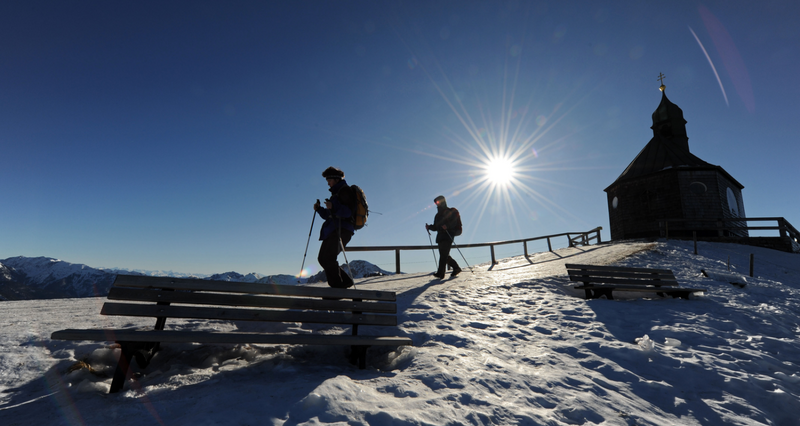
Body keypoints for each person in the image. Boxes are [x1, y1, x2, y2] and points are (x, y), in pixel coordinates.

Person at [314, 166, 356, 288]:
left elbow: (348, 212)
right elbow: (330, 215)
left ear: (336, 179)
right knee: (322, 258)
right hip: (333, 229)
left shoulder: (345, 191)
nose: (328, 183)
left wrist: (333, 207)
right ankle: (345, 282)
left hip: (342, 230)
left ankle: (337, 289)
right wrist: (320, 209)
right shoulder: (335, 194)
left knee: (328, 257)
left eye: (329, 180)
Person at [426, 195, 462, 279]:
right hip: (440, 236)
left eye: (437, 202)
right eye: (435, 202)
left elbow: (454, 222)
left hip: (448, 235)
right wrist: (429, 227)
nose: (436, 204)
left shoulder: (450, 211)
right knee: (444, 255)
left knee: (443, 255)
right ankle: (456, 268)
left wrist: (447, 226)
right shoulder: (437, 215)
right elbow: (436, 227)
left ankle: (440, 273)